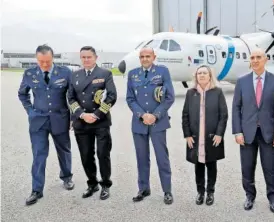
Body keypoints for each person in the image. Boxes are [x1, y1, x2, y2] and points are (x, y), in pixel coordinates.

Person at [18, 44, 74, 206]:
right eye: (41, 61)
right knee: (39, 154)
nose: (44, 65)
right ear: (36, 59)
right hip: (38, 121)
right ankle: (36, 189)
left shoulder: (65, 73)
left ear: (53, 58)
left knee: (64, 150)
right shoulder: (29, 73)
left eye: (47, 61)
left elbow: (72, 96)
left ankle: (67, 177)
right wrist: (30, 111)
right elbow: (22, 94)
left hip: (60, 118)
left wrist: (73, 116)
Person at [232, 48, 274, 212]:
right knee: (247, 167)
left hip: (268, 133)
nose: (255, 60)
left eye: (258, 57)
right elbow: (236, 108)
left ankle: (273, 198)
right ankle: (250, 196)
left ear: (265, 59)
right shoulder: (242, 82)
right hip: (247, 133)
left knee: (270, 168)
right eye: (252, 57)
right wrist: (237, 131)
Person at [126, 47, 175, 205]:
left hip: (158, 122)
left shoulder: (162, 72)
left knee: (162, 158)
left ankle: (167, 191)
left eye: (148, 56)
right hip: (139, 123)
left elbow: (169, 97)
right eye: (142, 56)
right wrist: (142, 115)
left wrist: (155, 115)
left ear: (154, 57)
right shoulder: (133, 74)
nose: (145, 59)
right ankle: (143, 188)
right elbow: (130, 99)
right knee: (141, 158)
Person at [68, 46, 117, 200]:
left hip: (100, 121)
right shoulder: (74, 75)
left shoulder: (105, 74)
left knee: (103, 154)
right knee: (86, 155)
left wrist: (95, 115)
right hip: (81, 122)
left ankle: (105, 185)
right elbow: (71, 98)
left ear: (96, 58)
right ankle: (92, 183)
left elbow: (111, 96)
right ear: (80, 58)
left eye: (89, 57)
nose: (86, 60)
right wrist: (81, 114)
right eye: (83, 57)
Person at [182, 65, 228, 206]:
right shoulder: (191, 93)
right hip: (196, 136)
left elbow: (223, 115)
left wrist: (220, 134)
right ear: (196, 76)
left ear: (210, 76)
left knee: (211, 164)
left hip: (212, 136)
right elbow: (185, 115)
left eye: (204, 73)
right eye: (199, 73)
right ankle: (200, 192)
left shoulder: (218, 92)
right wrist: (187, 135)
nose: (201, 75)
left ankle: (210, 192)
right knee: (198, 165)